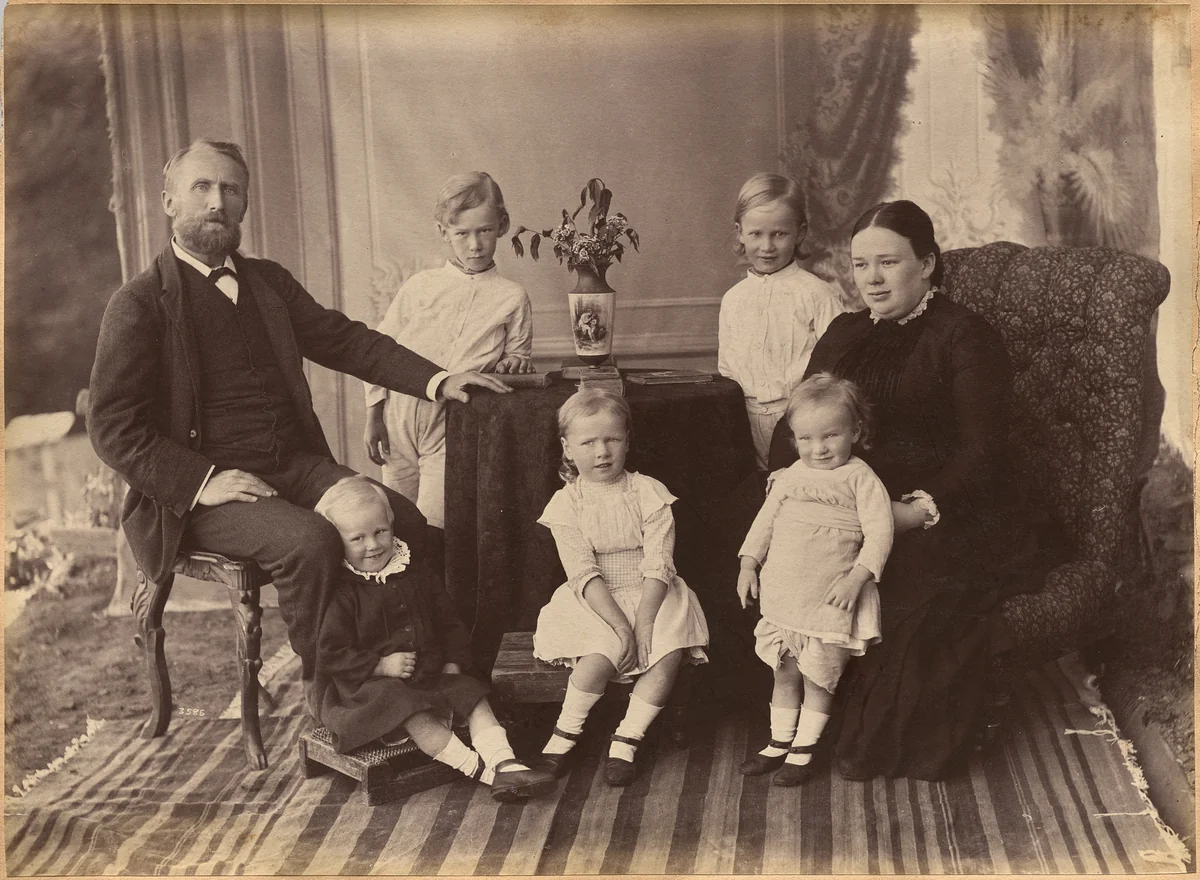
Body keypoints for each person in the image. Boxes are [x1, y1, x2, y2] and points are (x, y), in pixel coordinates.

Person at [87, 138, 511, 683]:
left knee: (405, 523)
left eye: (230, 189)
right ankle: (334, 700)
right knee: (309, 543)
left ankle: (420, 678)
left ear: (243, 204)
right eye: (202, 187)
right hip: (204, 495)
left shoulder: (267, 281)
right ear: (170, 201)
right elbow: (112, 427)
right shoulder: (139, 303)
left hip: (293, 467)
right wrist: (202, 482)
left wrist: (437, 379)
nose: (217, 201)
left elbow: (345, 340)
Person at [769, 200, 1061, 780]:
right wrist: (796, 492)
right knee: (751, 543)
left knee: (915, 588)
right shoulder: (844, 333)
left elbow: (985, 450)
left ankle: (848, 733)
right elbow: (793, 426)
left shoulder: (964, 336)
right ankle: (778, 716)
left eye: (888, 263)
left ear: (926, 264)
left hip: (942, 509)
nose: (872, 279)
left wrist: (914, 511)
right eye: (860, 265)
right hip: (840, 502)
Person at [311, 477, 555, 801]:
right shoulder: (344, 594)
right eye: (358, 538)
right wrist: (380, 665)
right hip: (370, 689)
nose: (373, 544)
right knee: (409, 709)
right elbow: (330, 653)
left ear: (391, 524)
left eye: (380, 531)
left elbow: (448, 622)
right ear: (338, 543)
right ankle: (480, 771)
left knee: (472, 692)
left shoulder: (417, 572)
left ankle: (505, 762)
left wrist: (455, 660)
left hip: (428, 674)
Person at [530, 390, 709, 786]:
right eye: (588, 442)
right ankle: (563, 737)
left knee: (664, 656)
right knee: (599, 656)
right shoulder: (567, 503)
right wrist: (620, 626)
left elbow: (659, 561)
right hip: (596, 598)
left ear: (627, 439)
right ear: (567, 449)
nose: (602, 451)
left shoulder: (648, 491)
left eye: (611, 439)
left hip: (653, 592)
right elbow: (581, 570)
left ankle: (627, 739)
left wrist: (644, 623)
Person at [736, 374, 893, 786]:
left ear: (855, 432)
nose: (818, 449)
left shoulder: (860, 478)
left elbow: (879, 533)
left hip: (829, 597)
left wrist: (856, 578)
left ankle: (804, 749)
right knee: (784, 669)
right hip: (786, 592)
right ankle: (779, 741)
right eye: (805, 439)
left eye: (830, 436)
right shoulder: (789, 476)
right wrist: (748, 564)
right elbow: (764, 523)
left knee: (817, 675)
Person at [363, 172, 534, 530]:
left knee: (434, 525)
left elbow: (518, 354)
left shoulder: (511, 296)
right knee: (395, 520)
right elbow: (379, 350)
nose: (474, 245)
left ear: (502, 226)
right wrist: (374, 415)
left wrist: (514, 361)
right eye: (462, 233)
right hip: (399, 416)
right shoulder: (420, 286)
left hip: (451, 423)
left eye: (484, 231)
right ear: (444, 232)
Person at [718, 172, 845, 471]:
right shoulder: (733, 299)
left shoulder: (817, 293)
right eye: (756, 234)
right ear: (739, 232)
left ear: (800, 232)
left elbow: (838, 365)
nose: (767, 246)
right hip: (744, 420)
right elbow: (727, 368)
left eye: (779, 234)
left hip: (801, 422)